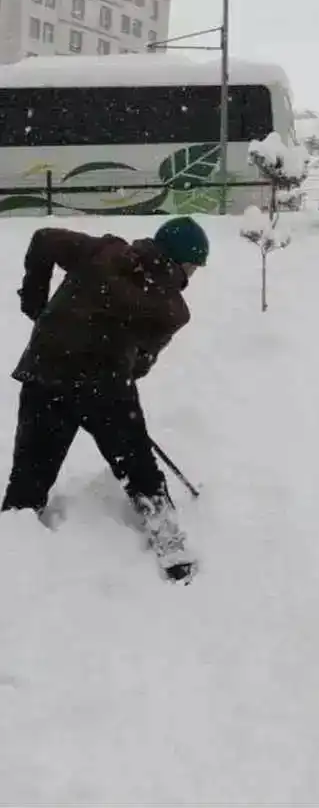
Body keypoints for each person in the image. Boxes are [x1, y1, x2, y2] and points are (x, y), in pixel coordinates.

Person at [2, 217, 209, 582]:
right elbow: (141, 363)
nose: (193, 274)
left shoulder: (101, 250)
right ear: (180, 262)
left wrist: (35, 299)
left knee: (29, 478)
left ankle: (13, 546)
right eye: (193, 265)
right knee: (139, 469)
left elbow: (43, 239)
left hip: (44, 374)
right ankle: (169, 541)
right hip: (105, 390)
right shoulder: (173, 309)